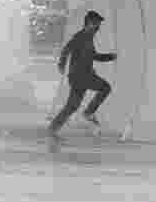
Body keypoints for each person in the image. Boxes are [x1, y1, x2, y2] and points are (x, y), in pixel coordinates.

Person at [48, 10, 117, 138]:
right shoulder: (81, 36)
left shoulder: (88, 38)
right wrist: (61, 64)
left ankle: (53, 128)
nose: (98, 28)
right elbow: (66, 50)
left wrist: (110, 57)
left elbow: (94, 56)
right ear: (90, 23)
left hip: (79, 77)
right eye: (97, 24)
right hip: (82, 76)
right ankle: (89, 112)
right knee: (105, 88)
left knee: (72, 106)